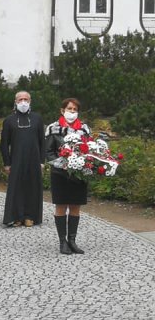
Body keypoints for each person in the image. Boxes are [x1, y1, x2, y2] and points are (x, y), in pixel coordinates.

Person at [45, 98, 90, 255]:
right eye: (69, 108)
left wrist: (85, 163)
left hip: (79, 174)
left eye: (75, 109)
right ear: (62, 110)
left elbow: (89, 149)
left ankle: (72, 241)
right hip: (60, 173)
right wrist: (62, 164)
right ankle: (62, 242)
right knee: (61, 206)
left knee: (75, 206)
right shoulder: (53, 128)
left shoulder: (84, 129)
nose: (72, 112)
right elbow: (48, 152)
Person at [0, 91, 45, 227]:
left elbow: (42, 141)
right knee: (17, 188)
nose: (23, 102)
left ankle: (30, 216)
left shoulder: (37, 119)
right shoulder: (9, 120)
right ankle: (17, 216)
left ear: (30, 101)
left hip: (34, 159)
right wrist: (7, 163)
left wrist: (42, 162)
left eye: (26, 99)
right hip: (16, 160)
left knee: (32, 187)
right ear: (15, 102)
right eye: (20, 99)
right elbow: (4, 144)